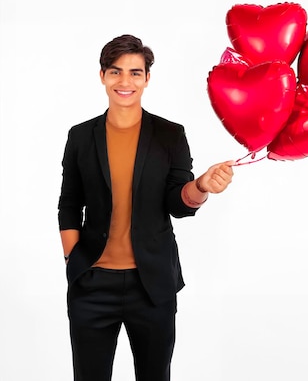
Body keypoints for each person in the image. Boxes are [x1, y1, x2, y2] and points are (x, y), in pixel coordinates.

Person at [57, 34, 234, 381]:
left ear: (147, 78)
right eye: (116, 72)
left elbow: (177, 203)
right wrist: (73, 261)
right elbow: (68, 204)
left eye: (135, 73)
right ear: (102, 76)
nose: (125, 81)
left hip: (152, 284)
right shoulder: (80, 136)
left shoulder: (170, 135)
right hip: (93, 282)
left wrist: (200, 187)